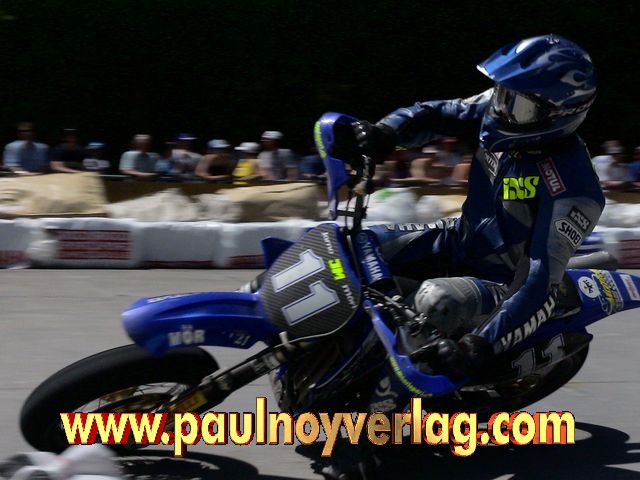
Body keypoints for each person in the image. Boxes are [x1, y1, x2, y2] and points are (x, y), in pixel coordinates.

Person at [350, 34, 604, 382]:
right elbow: (438, 114)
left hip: (501, 281)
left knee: (435, 300)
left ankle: (387, 403)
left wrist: (479, 345)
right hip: (458, 239)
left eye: (517, 104)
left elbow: (538, 279)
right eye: (503, 93)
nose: (501, 108)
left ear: (559, 114)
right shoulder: (502, 109)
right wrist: (385, 132)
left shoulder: (575, 189)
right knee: (357, 244)